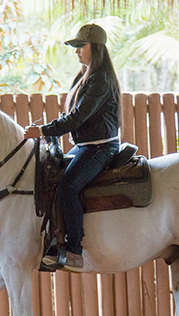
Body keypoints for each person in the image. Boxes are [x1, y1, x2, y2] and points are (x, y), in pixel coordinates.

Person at [24, 23, 122, 273]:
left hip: (101, 148)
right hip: (86, 146)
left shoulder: (100, 79)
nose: (77, 51)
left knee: (68, 188)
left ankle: (75, 250)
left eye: (81, 46)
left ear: (96, 48)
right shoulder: (85, 76)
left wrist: (44, 131)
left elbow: (77, 117)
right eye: (76, 47)